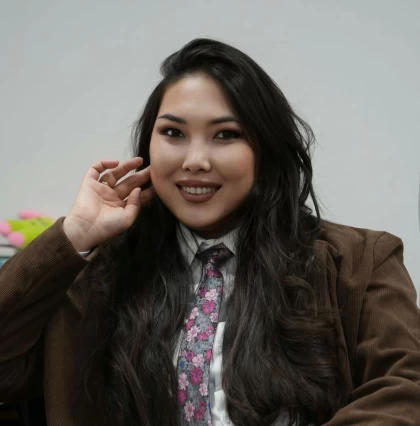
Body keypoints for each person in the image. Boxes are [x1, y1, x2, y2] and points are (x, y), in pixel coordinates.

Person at [0, 38, 419, 426]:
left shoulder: (363, 260)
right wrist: (75, 234)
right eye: (173, 133)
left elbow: (406, 388)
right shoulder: (95, 274)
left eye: (225, 135)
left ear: (265, 149)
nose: (195, 160)